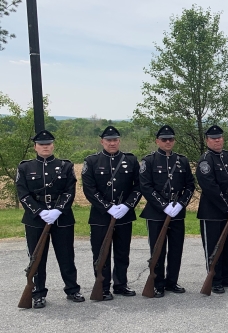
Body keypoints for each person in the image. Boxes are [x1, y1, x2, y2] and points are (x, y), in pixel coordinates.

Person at [17, 130, 84, 308]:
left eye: (48, 143)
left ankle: (72, 289)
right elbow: (23, 194)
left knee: (66, 255)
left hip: (61, 217)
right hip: (35, 218)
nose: (45, 146)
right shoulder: (25, 167)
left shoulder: (65, 166)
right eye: (41, 144)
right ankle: (38, 293)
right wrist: (39, 211)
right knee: (37, 256)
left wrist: (57, 210)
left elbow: (69, 191)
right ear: (35, 147)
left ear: (53, 145)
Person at [83, 125, 142, 300]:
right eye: (108, 140)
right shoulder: (91, 161)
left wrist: (127, 206)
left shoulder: (130, 160)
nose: (112, 143)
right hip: (100, 216)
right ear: (102, 141)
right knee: (101, 253)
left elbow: (138, 186)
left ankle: (121, 284)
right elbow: (89, 189)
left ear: (119, 141)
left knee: (122, 252)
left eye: (115, 139)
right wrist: (107, 207)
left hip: (124, 215)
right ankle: (102, 287)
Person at [139, 125, 195, 297]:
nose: (168, 142)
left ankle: (172, 281)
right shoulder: (148, 161)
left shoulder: (182, 160)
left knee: (176, 249)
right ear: (157, 141)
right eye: (164, 139)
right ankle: (157, 283)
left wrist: (180, 204)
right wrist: (163, 205)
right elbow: (146, 187)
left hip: (177, 212)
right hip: (156, 213)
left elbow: (190, 185)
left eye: (170, 139)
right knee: (158, 250)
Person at [196, 124, 228, 294]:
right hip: (212, 212)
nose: (217, 141)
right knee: (213, 247)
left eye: (219, 138)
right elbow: (210, 187)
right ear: (207, 140)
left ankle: (226, 276)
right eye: (213, 138)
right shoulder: (205, 160)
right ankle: (214, 279)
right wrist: (227, 207)